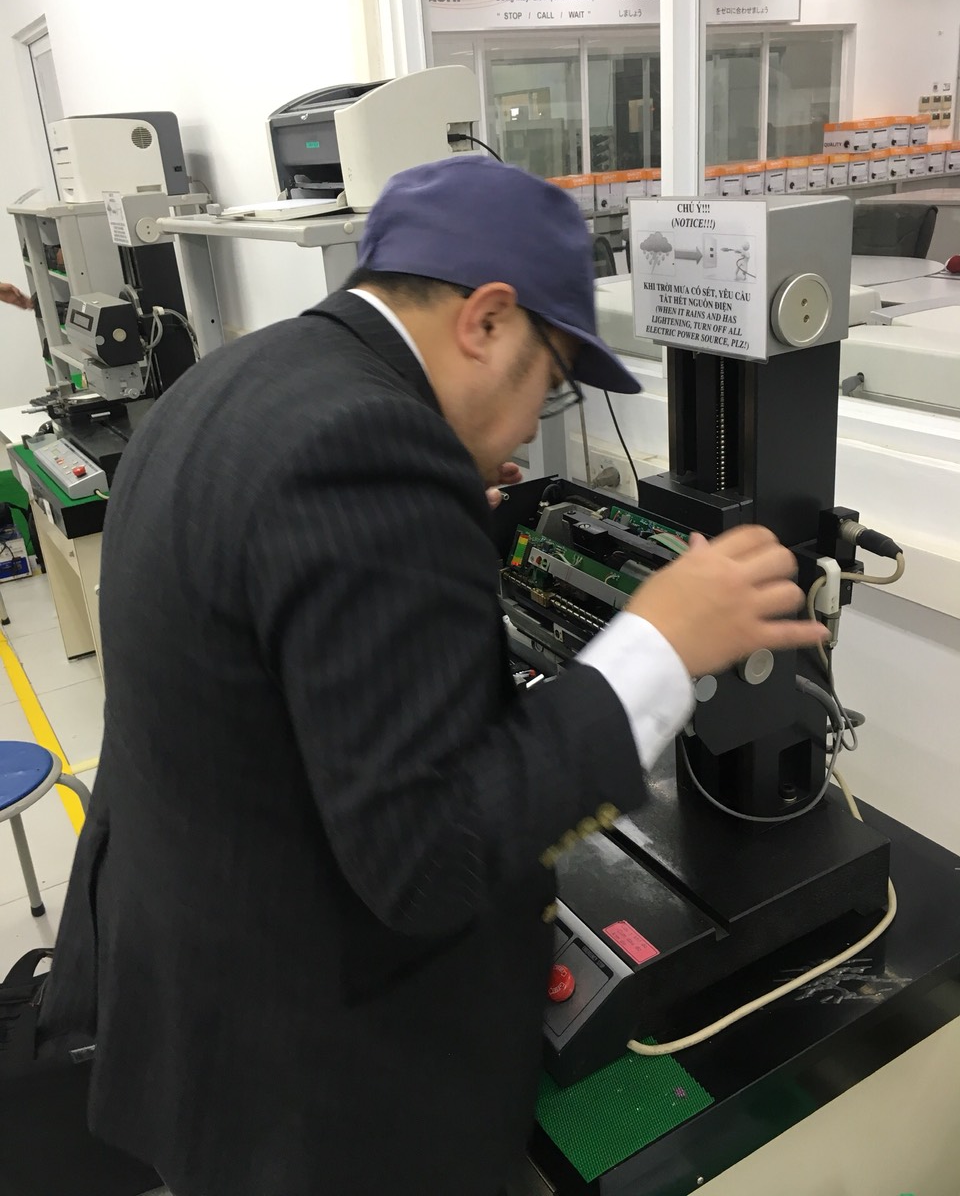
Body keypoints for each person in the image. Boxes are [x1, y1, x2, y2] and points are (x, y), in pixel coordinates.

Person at [39, 156, 828, 1196]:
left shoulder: (243, 376)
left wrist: (438, 529)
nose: (534, 420)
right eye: (552, 378)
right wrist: (662, 644)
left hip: (198, 985)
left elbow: (286, 616)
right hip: (325, 1090)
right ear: (487, 320)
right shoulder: (368, 448)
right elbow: (429, 855)